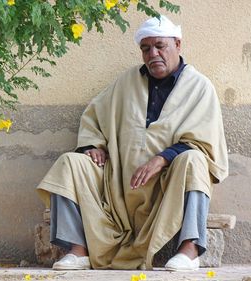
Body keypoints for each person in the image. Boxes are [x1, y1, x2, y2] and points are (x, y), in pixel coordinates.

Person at [36, 15, 228, 272]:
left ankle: (190, 250)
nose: (153, 54)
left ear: (178, 45)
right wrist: (92, 145)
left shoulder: (200, 87)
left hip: (166, 189)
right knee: (70, 163)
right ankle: (78, 250)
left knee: (194, 161)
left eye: (160, 46)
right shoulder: (127, 82)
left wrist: (162, 159)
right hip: (118, 188)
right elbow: (94, 116)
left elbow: (203, 144)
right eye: (146, 48)